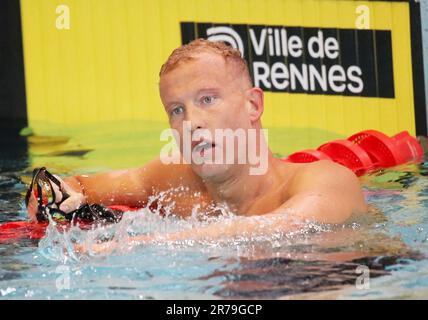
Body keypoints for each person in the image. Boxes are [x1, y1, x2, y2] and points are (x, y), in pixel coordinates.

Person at [27, 39, 367, 246]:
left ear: (253, 105)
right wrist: (53, 194)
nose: (190, 123)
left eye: (207, 99)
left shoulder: (326, 180)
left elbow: (282, 228)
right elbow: (81, 186)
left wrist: (137, 245)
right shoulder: (176, 177)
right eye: (177, 110)